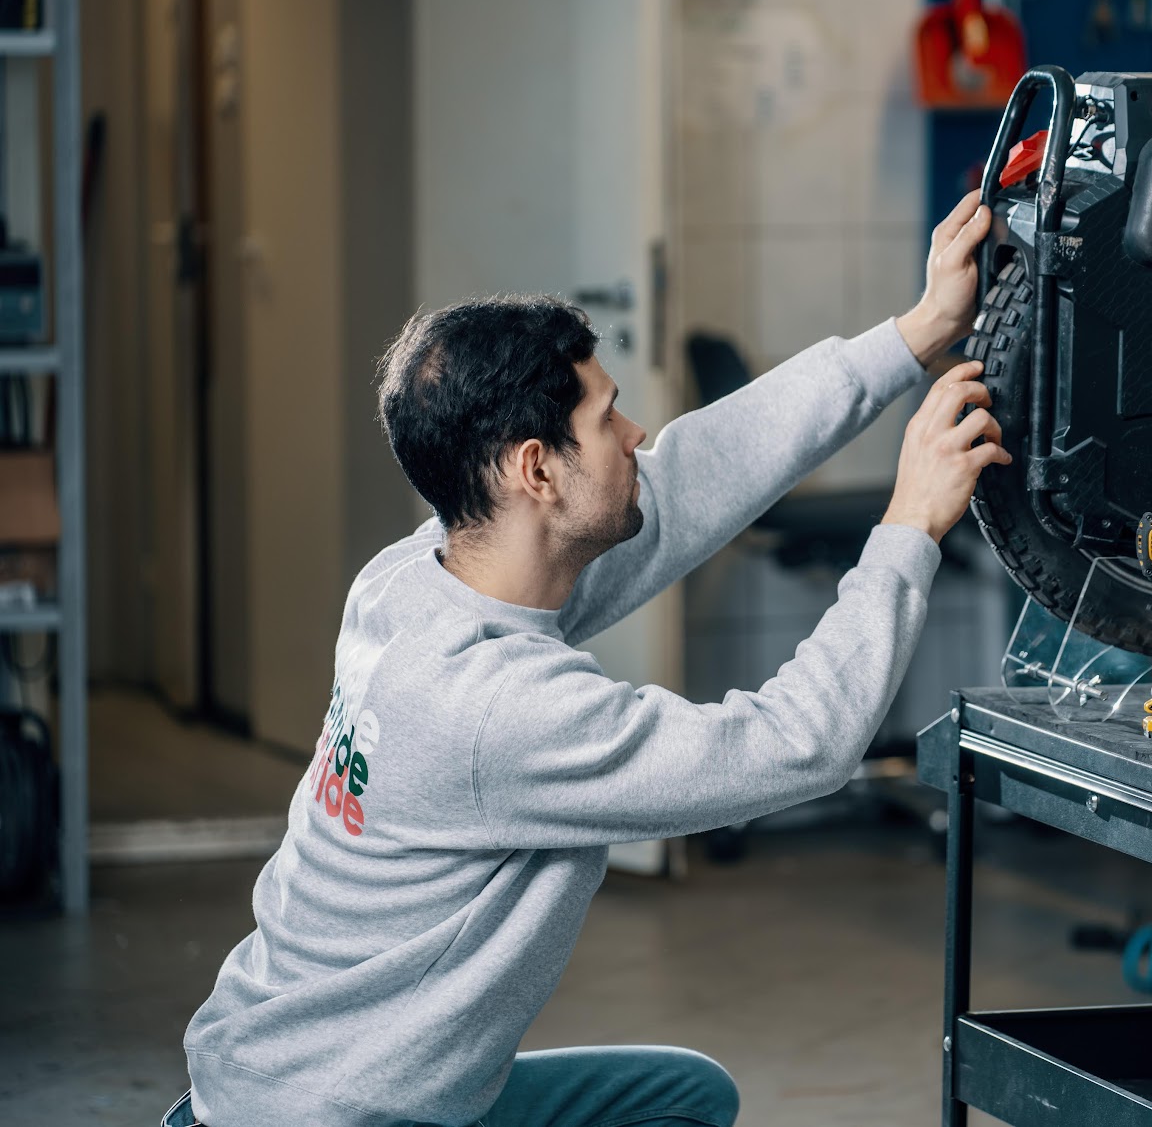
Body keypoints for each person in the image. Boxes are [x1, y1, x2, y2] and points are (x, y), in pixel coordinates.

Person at [170, 193, 1005, 1127]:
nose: (637, 435)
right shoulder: (498, 713)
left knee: (683, 1096)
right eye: (609, 418)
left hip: (281, 1079)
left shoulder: (411, 580)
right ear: (536, 469)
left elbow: (688, 478)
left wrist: (915, 333)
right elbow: (794, 746)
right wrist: (909, 527)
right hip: (341, 1112)